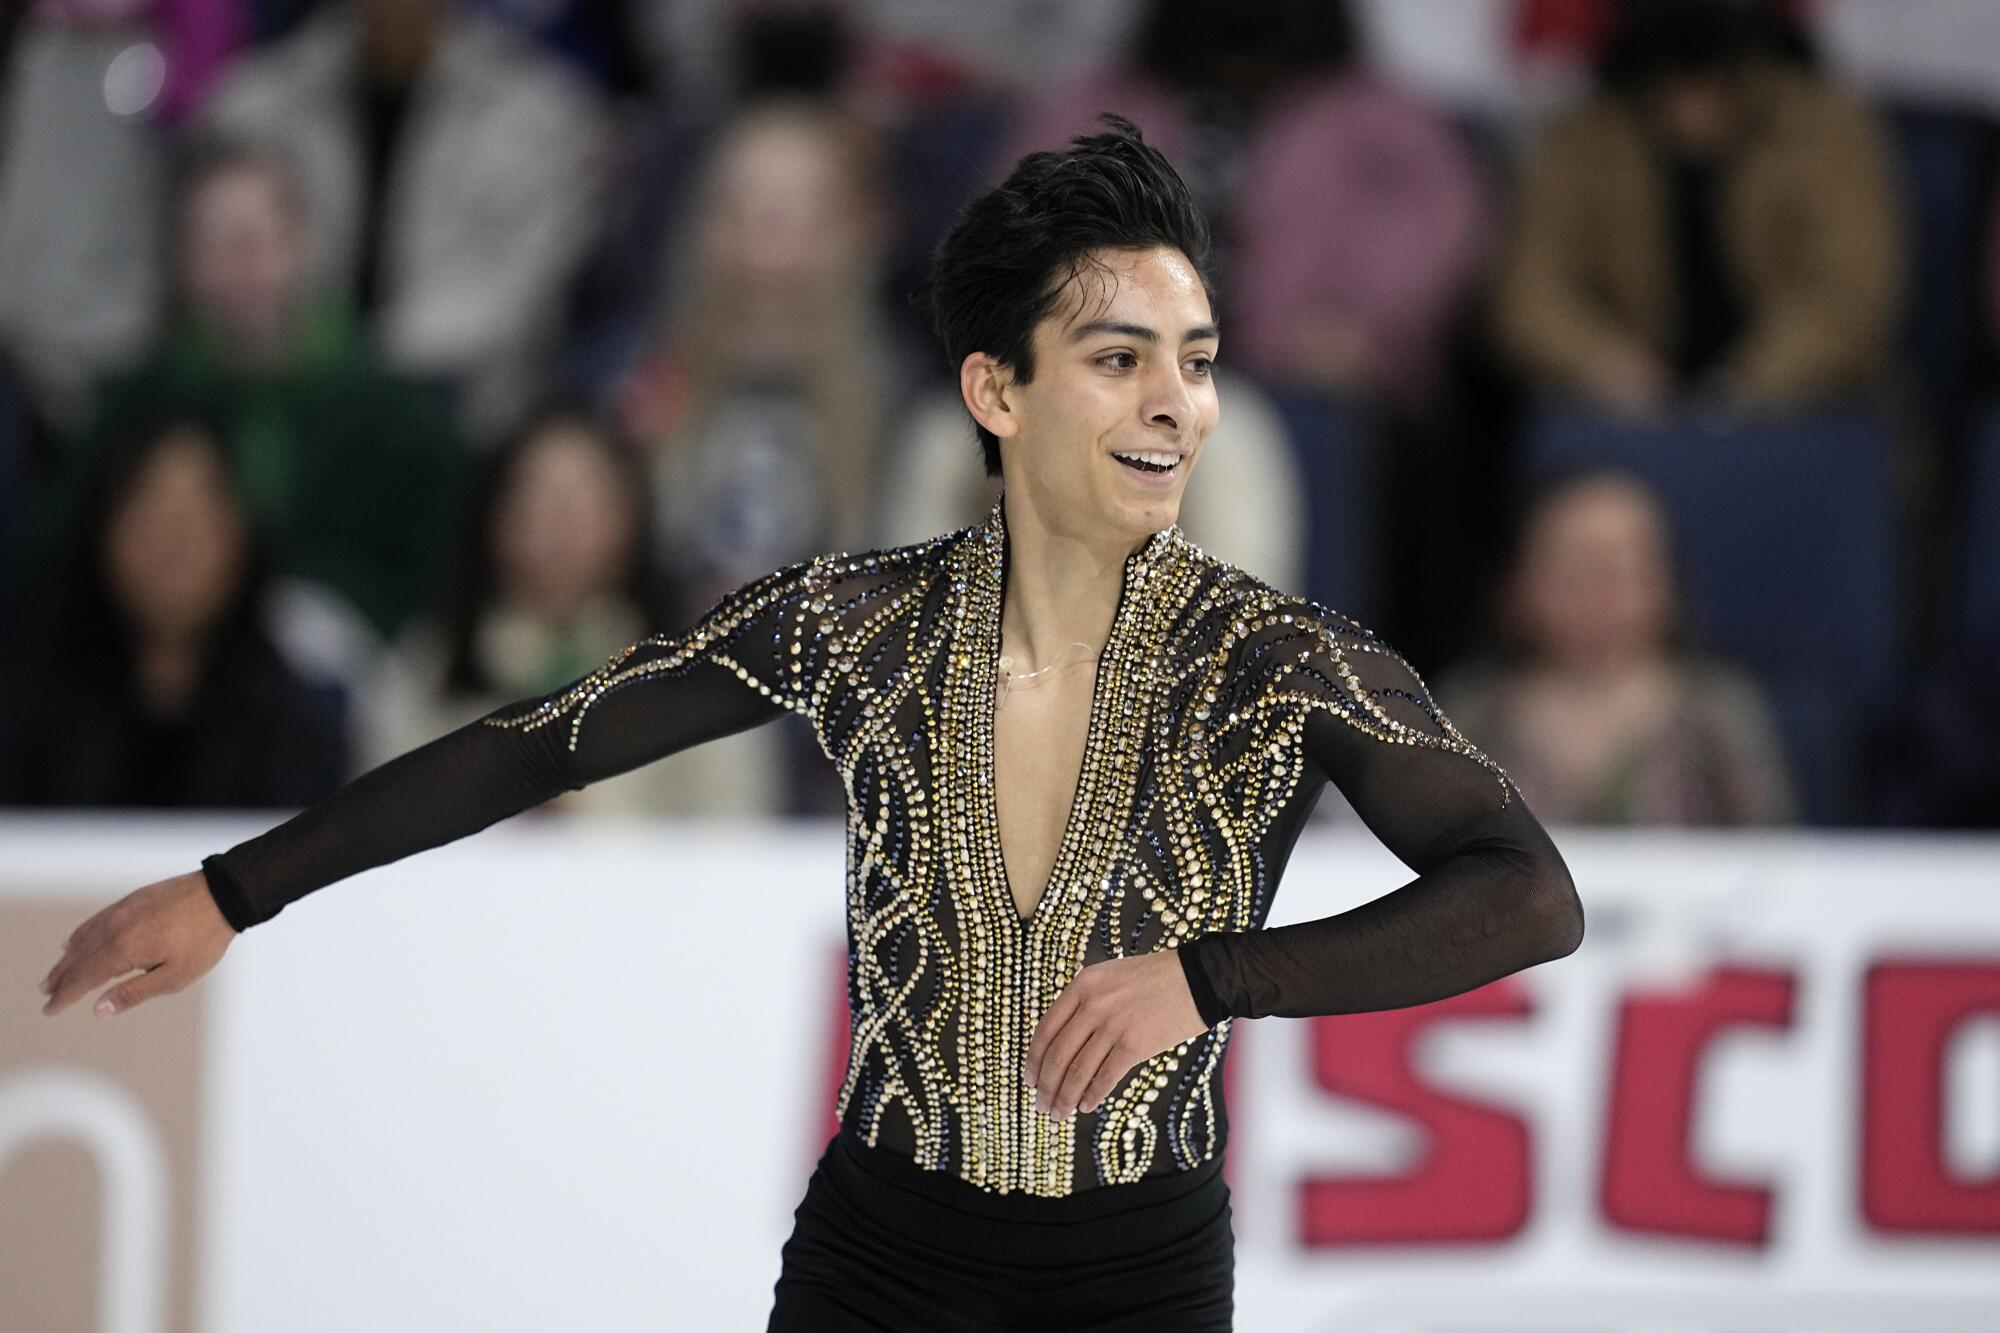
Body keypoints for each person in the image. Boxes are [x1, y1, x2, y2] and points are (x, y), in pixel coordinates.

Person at [36, 117, 1584, 1329]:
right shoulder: (855, 625)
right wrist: (238, 890)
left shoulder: (1281, 662)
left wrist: (1213, 976)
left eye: (1196, 362)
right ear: (997, 388)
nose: (1176, 404)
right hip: (882, 1260)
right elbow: (544, 740)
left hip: (1139, 1275)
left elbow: (1527, 893)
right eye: (1119, 361)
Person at [1434, 467, 1798, 825]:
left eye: (1620, 570)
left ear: (1668, 584)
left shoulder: (1718, 712)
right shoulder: (1467, 713)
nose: (1598, 596)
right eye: (1573, 571)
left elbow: (1778, 861)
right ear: (1516, 585)